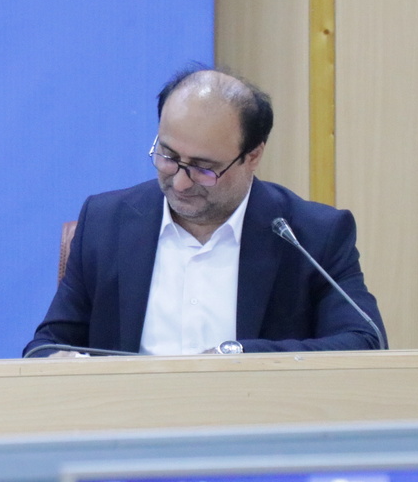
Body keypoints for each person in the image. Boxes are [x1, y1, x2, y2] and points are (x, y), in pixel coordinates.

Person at [24, 67, 385, 356]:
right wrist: (61, 362)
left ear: (253, 156)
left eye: (203, 168)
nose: (180, 183)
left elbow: (365, 342)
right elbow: (47, 346)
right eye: (168, 156)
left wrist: (238, 356)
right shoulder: (106, 223)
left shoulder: (311, 235)